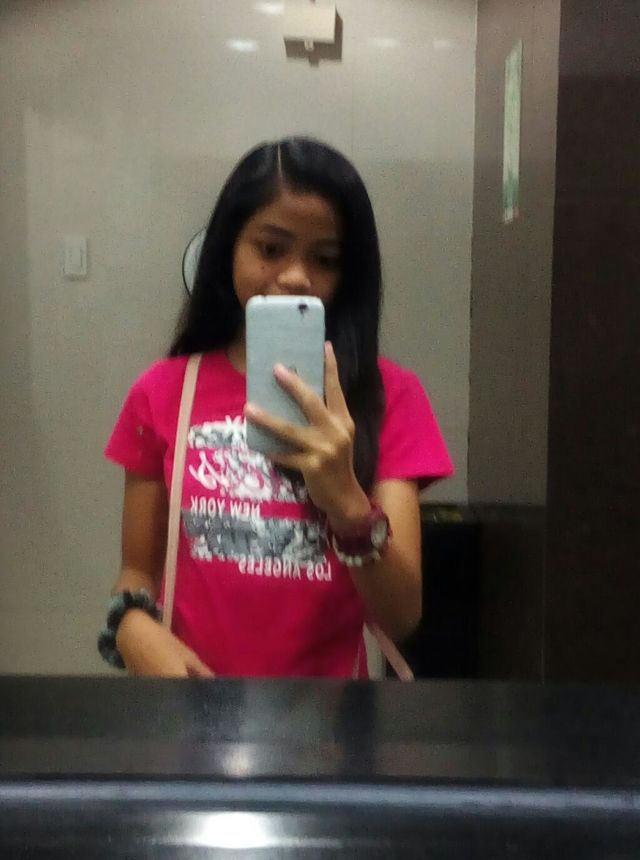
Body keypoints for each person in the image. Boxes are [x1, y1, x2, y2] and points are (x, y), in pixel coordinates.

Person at [99, 137, 453, 679]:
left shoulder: (388, 396)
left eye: (325, 259)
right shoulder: (161, 391)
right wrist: (130, 627)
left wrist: (346, 501)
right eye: (270, 249)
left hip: (331, 719)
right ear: (228, 250)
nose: (295, 276)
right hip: (192, 708)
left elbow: (402, 616)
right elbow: (135, 572)